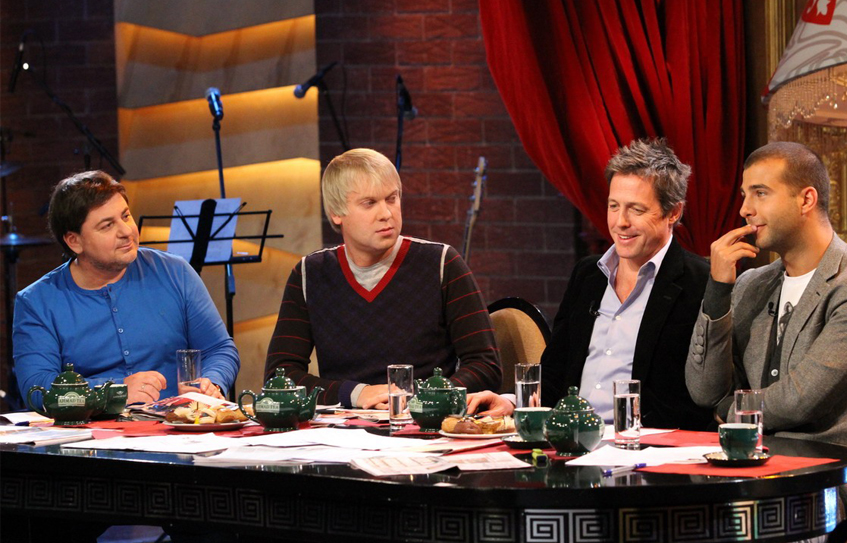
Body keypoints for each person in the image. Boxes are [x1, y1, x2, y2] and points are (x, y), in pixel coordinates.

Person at [468, 139, 712, 431]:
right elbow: (555, 374)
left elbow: (701, 397)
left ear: (673, 212)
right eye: (613, 206)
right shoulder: (588, 275)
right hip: (569, 438)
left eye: (636, 209)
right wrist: (510, 402)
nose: (620, 222)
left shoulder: (700, 283)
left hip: (649, 445)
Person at [265, 148, 501, 408]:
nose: (386, 213)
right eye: (369, 203)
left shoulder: (443, 263)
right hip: (342, 426)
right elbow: (279, 376)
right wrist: (355, 394)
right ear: (336, 213)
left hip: (422, 420)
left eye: (392, 199)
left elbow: (485, 366)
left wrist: (421, 399)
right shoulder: (310, 274)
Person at [14, 171, 239, 405]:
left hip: (177, 421)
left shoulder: (175, 272)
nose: (126, 231)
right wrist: (115, 391)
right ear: (74, 241)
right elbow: (37, 389)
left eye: (126, 216)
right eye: (107, 225)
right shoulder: (37, 302)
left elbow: (219, 349)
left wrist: (212, 382)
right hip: (95, 427)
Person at [686, 141, 847, 445]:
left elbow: (800, 399)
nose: (744, 209)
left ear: (806, 200)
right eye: (744, 195)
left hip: (827, 467)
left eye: (760, 193)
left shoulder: (843, 283)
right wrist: (718, 290)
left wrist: (731, 411)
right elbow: (704, 391)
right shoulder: (751, 284)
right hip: (751, 461)